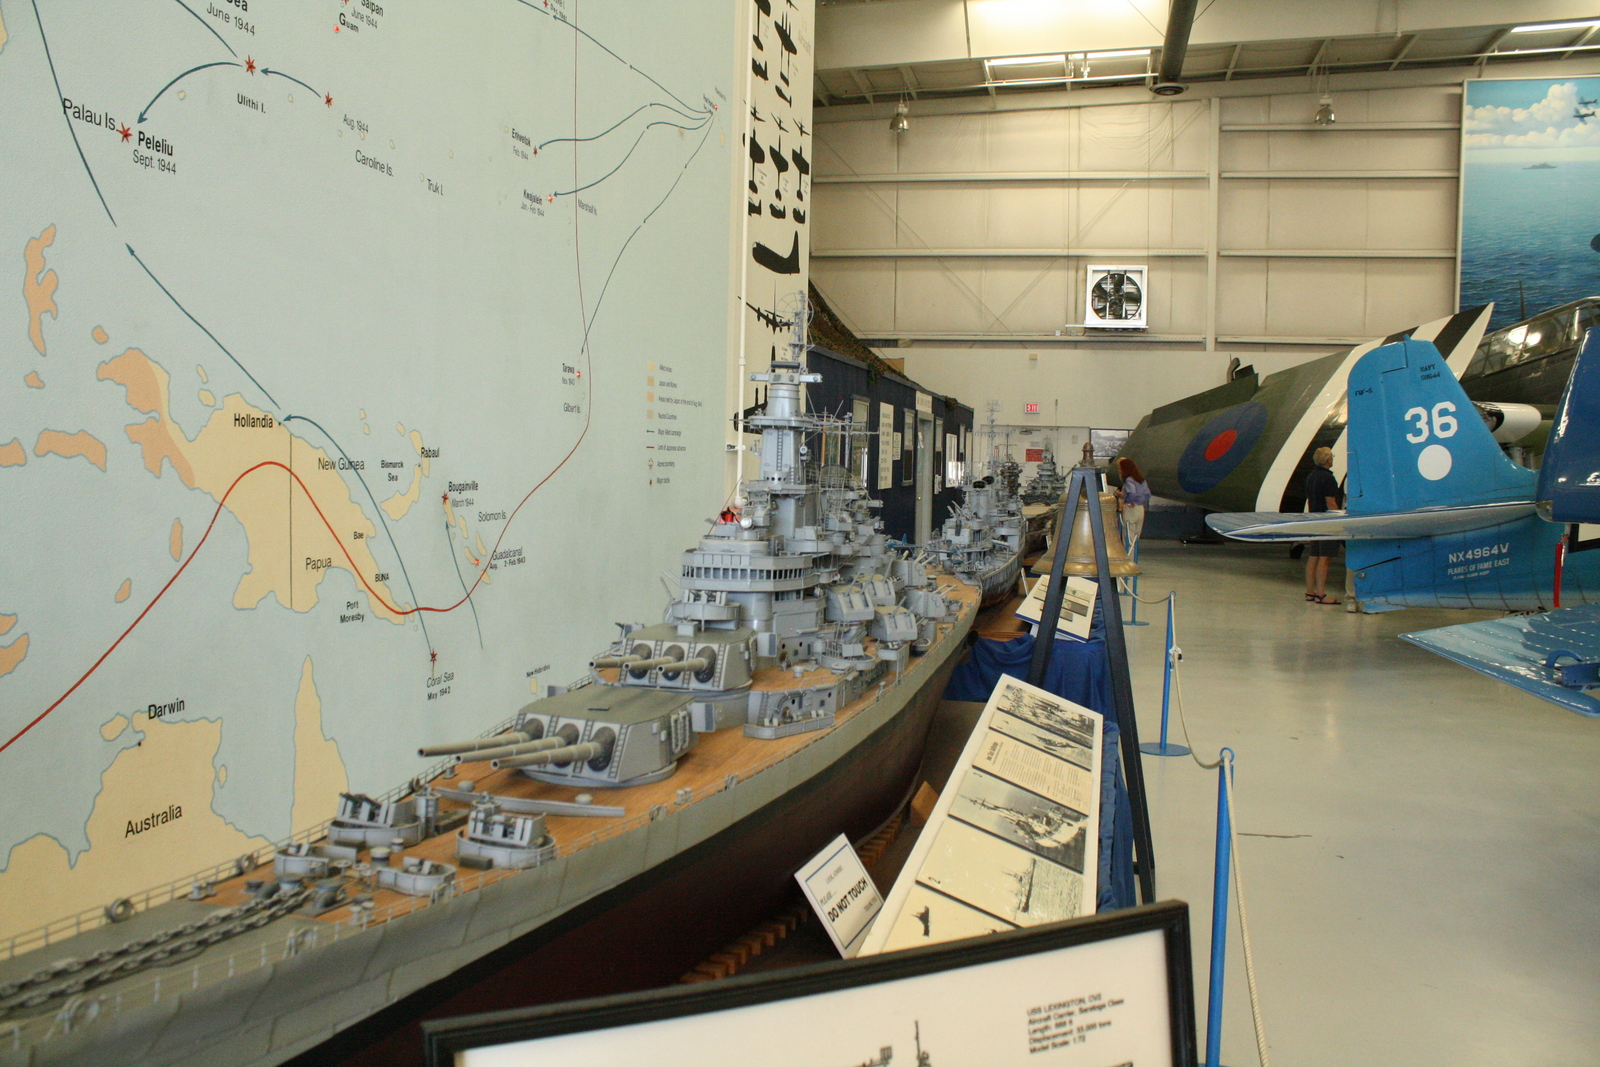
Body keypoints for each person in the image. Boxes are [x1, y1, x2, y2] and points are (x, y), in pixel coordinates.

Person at [1304, 446, 1343, 604]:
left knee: (1313, 556)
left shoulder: (1311, 476)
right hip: (1327, 521)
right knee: (1325, 558)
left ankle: (1310, 592)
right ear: (1327, 460)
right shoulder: (1328, 478)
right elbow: (1331, 503)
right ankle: (1321, 594)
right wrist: (1340, 521)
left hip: (1314, 519)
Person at [1115, 457, 1150, 552]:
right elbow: (1147, 494)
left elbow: (1132, 493)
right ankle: (1134, 558)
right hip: (1140, 509)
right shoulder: (1141, 479)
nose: (1119, 471)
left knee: (1128, 537)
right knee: (1135, 538)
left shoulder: (1129, 480)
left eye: (1120, 468)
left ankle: (1128, 558)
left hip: (1131, 510)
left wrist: (1127, 499)